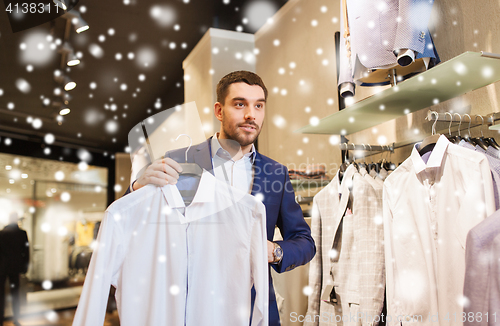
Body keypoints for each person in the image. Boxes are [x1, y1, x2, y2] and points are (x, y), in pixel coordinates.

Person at [125, 70, 316, 325]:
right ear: (219, 111)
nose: (251, 114)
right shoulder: (180, 160)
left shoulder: (276, 174)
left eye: (258, 106)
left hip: (253, 310)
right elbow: (130, 221)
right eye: (240, 104)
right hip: (190, 307)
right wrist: (139, 185)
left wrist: (274, 251)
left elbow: (305, 241)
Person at [0, 212, 30, 326]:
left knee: (1, 295)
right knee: (15, 294)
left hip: (2, 268)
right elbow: (26, 252)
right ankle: (16, 318)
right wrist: (25, 266)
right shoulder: (22, 234)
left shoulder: (2, 233)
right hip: (15, 267)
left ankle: (1, 319)